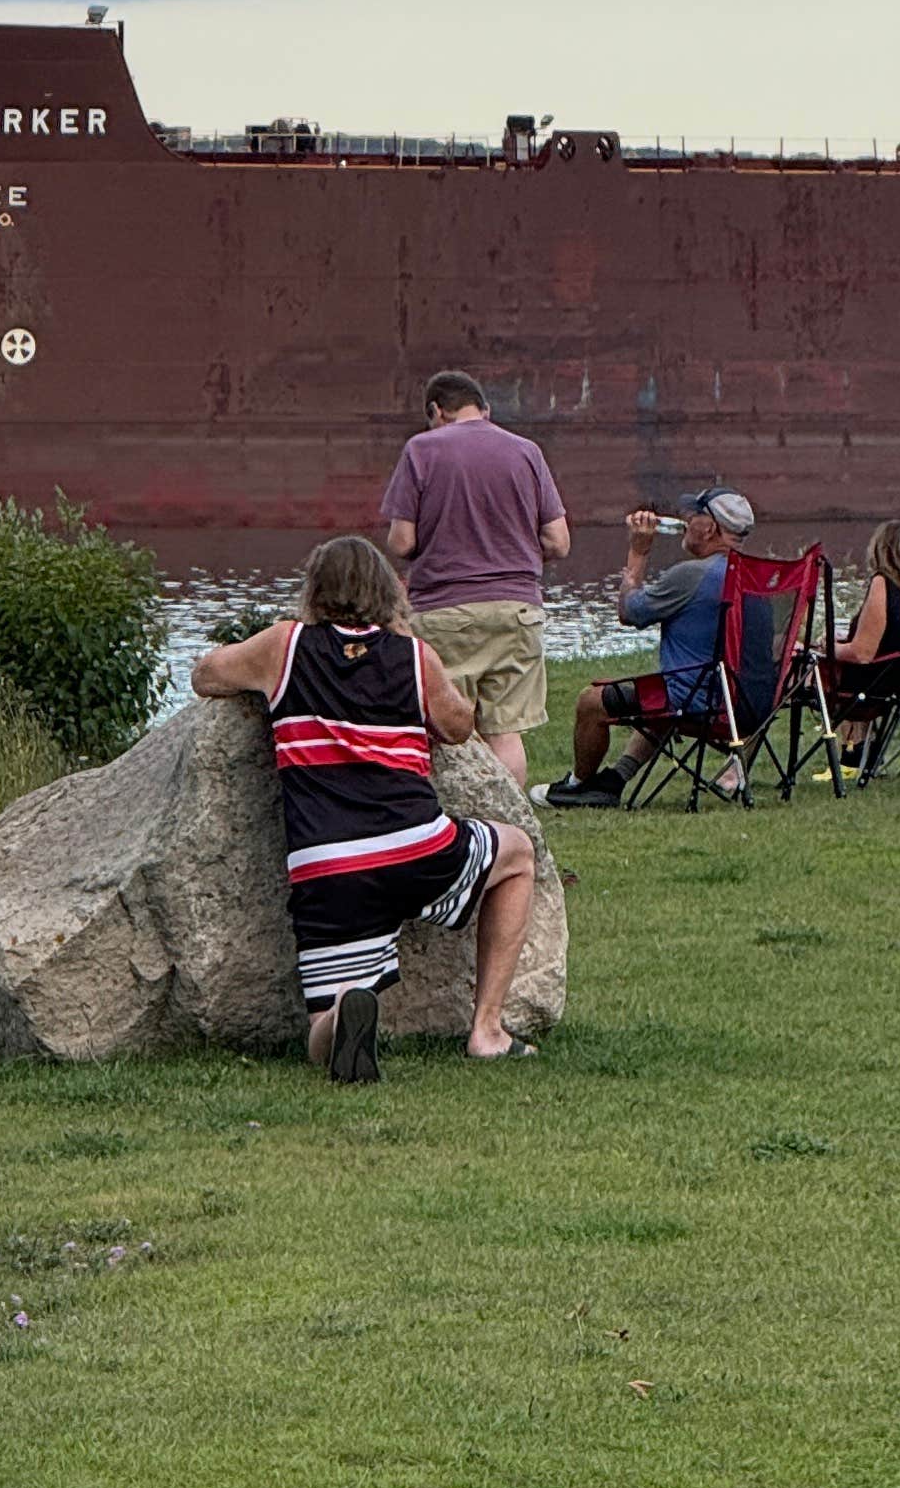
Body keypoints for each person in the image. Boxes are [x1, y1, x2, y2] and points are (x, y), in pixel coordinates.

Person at [191, 533, 541, 1077]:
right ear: (386, 590)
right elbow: (456, 725)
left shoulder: (284, 647)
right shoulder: (412, 656)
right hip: (415, 845)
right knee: (516, 855)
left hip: (328, 869)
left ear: (314, 590)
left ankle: (342, 1016)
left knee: (319, 1027)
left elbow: (205, 674)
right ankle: (487, 1030)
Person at [377, 371, 572, 785]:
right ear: (484, 409)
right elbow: (558, 541)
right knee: (506, 732)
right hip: (518, 609)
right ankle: (511, 828)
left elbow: (401, 541)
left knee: (448, 728)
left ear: (436, 411)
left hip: (444, 611)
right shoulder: (526, 452)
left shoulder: (421, 449)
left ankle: (455, 826)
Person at [541, 489, 755, 809]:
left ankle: (580, 785)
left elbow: (630, 612)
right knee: (661, 688)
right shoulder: (758, 574)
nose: (685, 522)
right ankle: (615, 780)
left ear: (709, 528)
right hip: (751, 705)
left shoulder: (691, 575)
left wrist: (639, 552)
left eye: (691, 516)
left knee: (592, 701)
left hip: (700, 701)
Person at [827, 518, 900, 763]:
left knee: (804, 665)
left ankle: (851, 756)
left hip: (874, 681)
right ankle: (863, 754)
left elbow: (862, 653)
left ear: (881, 552)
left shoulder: (882, 583)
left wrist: (828, 648)